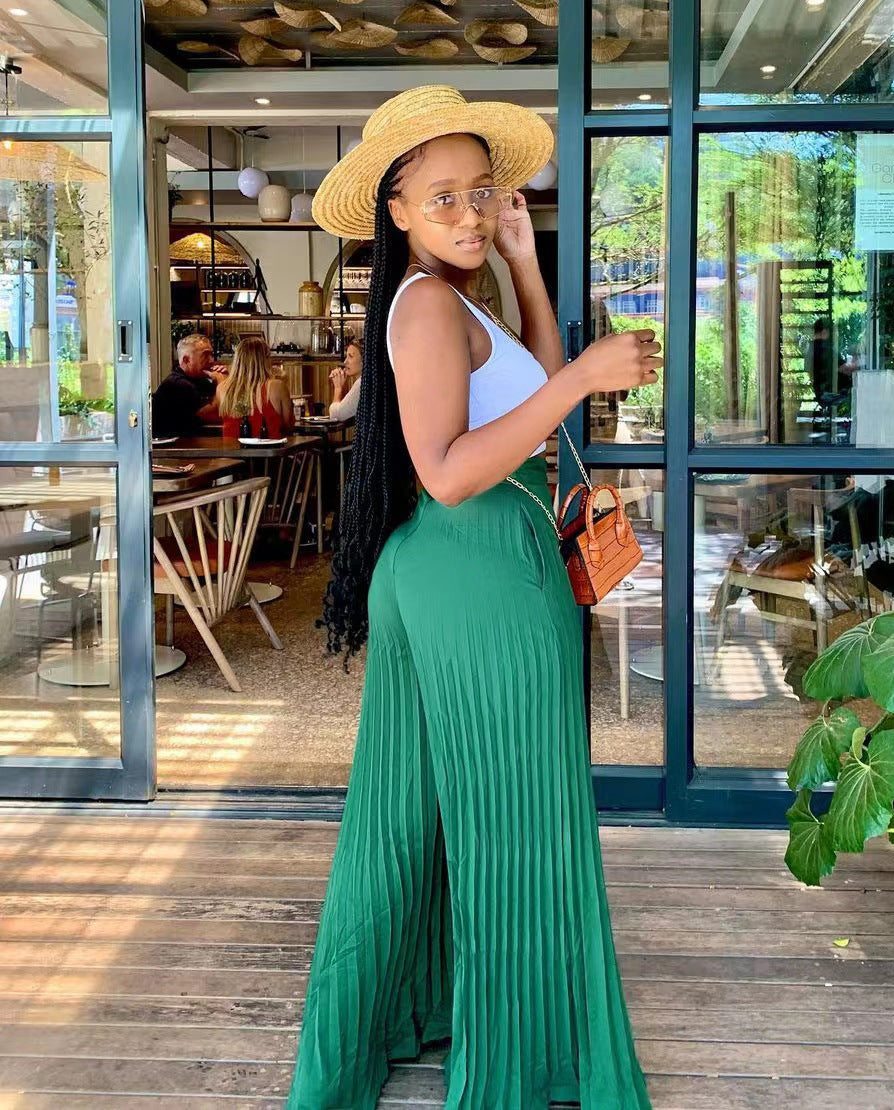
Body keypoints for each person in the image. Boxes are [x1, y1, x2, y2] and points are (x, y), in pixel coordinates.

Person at [285, 86, 661, 1110]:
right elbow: (448, 471)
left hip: (469, 570)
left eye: (481, 192)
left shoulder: (459, 296)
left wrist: (527, 263)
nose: (468, 212)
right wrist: (583, 375)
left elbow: (531, 390)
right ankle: (514, 1064)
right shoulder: (424, 306)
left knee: (409, 820)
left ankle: (384, 1028)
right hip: (475, 568)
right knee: (514, 821)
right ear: (397, 210)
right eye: (443, 196)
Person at [217, 335, 295, 439]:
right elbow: (288, 425)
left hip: (230, 449)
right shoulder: (277, 386)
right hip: (268, 448)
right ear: (264, 359)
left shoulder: (222, 388)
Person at [151, 333, 225, 438]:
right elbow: (210, 415)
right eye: (205, 355)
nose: (211, 360)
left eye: (211, 355)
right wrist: (222, 383)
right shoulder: (178, 384)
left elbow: (224, 406)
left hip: (192, 440)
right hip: (176, 445)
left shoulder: (200, 380)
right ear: (186, 360)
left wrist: (225, 379)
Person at [327, 337, 361, 423]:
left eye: (351, 356)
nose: (345, 362)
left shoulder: (363, 383)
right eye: (346, 356)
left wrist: (338, 388)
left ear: (364, 360)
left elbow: (336, 415)